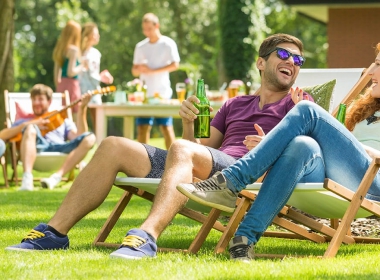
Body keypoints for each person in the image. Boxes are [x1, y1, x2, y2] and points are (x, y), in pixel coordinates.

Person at [5, 34, 310, 258]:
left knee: (181, 149)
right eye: (284, 55)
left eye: (298, 60)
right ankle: (54, 232)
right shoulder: (234, 104)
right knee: (112, 144)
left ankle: (146, 236)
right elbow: (198, 149)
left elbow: (307, 154)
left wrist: (271, 146)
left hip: (244, 177)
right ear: (261, 62)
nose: (292, 63)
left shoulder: (299, 105)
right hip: (208, 170)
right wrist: (189, 123)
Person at [176, 44, 380, 262]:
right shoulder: (365, 107)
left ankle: (231, 180)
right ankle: (244, 240)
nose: (370, 72)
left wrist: (361, 149)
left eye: (378, 65)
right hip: (334, 172)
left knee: (306, 110)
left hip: (371, 180)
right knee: (303, 145)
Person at [0, 84, 96, 191]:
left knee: (90, 137)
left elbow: (79, 137)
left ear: (49, 101)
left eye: (40, 99)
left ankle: (55, 178)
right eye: (34, 99)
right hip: (37, 148)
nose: (36, 102)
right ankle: (27, 180)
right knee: (30, 128)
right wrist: (30, 124)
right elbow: (2, 136)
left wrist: (82, 109)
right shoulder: (23, 121)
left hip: (59, 148)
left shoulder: (61, 119)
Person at [132, 13, 180, 149]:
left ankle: (173, 159)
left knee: (166, 127)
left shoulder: (168, 43)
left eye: (149, 29)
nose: (147, 32)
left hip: (163, 93)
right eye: (144, 29)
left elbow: (175, 65)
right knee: (142, 128)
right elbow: (134, 70)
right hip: (144, 95)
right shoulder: (140, 46)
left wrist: (153, 71)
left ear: (157, 26)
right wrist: (140, 68)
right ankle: (142, 163)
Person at [79, 22, 114, 130]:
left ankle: (99, 142)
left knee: (97, 119)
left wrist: (102, 76)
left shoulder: (95, 53)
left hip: (94, 90)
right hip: (81, 89)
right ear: (87, 35)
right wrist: (100, 77)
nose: (97, 36)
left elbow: (93, 73)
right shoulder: (78, 52)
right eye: (95, 34)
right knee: (81, 116)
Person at [53, 20, 85, 120]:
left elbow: (56, 75)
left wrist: (60, 87)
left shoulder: (60, 49)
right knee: (75, 117)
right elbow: (71, 72)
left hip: (61, 85)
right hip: (72, 85)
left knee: (62, 116)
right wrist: (82, 66)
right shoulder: (74, 50)